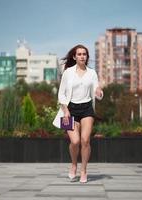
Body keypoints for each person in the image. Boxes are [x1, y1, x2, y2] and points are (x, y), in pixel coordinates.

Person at [55, 44, 103, 183]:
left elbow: (97, 90)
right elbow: (61, 93)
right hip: (70, 110)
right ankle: (74, 165)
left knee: (85, 140)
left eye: (84, 54)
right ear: (75, 57)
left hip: (87, 109)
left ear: (87, 57)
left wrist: (99, 92)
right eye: (79, 54)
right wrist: (65, 110)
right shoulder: (68, 72)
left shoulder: (92, 73)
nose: (82, 56)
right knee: (75, 141)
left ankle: (84, 171)